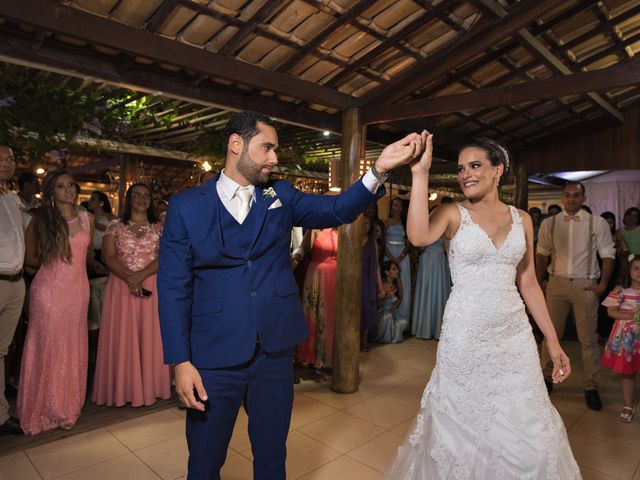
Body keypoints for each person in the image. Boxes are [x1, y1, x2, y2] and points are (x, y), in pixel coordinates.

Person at [157, 110, 424, 480]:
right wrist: (180, 363)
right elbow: (173, 289)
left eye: (275, 149)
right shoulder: (186, 207)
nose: (274, 158)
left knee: (271, 457)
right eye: (266, 147)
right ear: (236, 144)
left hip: (273, 351)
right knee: (204, 462)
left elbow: (336, 209)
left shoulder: (279, 194)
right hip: (212, 356)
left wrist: (377, 170)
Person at [383, 135, 580, 478]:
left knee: (528, 429)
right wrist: (420, 173)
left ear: (497, 170)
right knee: (461, 430)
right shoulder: (451, 213)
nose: (466, 174)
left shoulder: (523, 219)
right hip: (465, 335)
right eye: (461, 169)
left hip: (514, 337)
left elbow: (529, 282)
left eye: (475, 166)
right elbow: (416, 237)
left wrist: (551, 339)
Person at [17, 169, 94, 435]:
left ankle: (66, 407)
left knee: (72, 348)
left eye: (71, 184)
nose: (68, 190)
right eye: (61, 186)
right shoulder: (41, 220)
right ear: (51, 192)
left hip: (79, 292)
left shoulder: (88, 218)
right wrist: (55, 267)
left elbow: (84, 257)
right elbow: (30, 258)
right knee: (47, 348)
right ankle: (41, 408)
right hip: (49, 292)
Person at [536, 181, 616, 411]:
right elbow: (541, 256)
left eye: (576, 195)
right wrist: (539, 284)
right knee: (551, 335)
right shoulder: (549, 224)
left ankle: (591, 386)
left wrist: (602, 285)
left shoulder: (597, 222)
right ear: (562, 197)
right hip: (556, 284)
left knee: (588, 339)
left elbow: (608, 254)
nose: (571, 198)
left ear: (583, 198)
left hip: (586, 285)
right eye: (567, 194)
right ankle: (546, 378)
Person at [92, 183, 170, 407]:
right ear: (128, 198)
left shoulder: (159, 227)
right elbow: (108, 256)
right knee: (123, 335)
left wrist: (141, 276)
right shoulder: (115, 225)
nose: (141, 198)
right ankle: (123, 389)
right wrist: (130, 279)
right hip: (121, 287)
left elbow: (165, 255)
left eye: (146, 195)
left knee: (150, 335)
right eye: (136, 194)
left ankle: (150, 387)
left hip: (152, 285)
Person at [0, 146, 25, 435]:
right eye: (1, 159)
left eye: (11, 158)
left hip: (16, 282)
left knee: (2, 351)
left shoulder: (11, 197)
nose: (7, 163)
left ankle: (2, 415)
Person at [600, 255, 640, 423]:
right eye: (636, 268)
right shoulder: (620, 290)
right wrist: (634, 315)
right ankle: (628, 406)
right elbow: (611, 312)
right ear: (628, 270)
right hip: (627, 341)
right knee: (628, 373)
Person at [295, 228, 338, 368]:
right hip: (317, 275)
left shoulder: (340, 231)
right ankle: (311, 355)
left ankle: (328, 357)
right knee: (314, 314)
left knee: (330, 316)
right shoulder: (314, 230)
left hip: (334, 276)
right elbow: (302, 249)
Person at [411, 206, 451, 340]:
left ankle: (437, 329)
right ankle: (423, 329)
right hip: (428, 260)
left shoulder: (447, 228)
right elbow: (420, 246)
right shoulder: (426, 228)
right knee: (427, 291)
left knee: (438, 292)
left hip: (440, 262)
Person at [384, 197, 411, 324]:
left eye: (399, 206)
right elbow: (383, 242)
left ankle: (402, 317)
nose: (397, 208)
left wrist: (400, 257)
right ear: (392, 206)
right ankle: (388, 317)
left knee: (402, 284)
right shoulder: (386, 222)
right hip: (389, 254)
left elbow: (409, 242)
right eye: (395, 205)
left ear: (402, 208)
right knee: (390, 283)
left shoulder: (406, 222)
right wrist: (391, 258)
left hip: (402, 256)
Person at [360, 214, 383, 351]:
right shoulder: (352, 238)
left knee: (366, 309)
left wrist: (380, 286)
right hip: (353, 278)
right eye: (362, 223)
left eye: (367, 223)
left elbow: (376, 266)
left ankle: (364, 339)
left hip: (367, 279)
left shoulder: (372, 241)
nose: (365, 226)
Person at [376, 260, 407, 344]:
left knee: (403, 322)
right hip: (382, 312)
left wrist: (394, 307)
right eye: (394, 269)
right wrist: (386, 297)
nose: (397, 270)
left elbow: (400, 298)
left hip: (392, 311)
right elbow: (379, 304)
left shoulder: (397, 282)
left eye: (396, 268)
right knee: (388, 317)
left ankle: (392, 334)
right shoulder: (382, 285)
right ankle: (385, 337)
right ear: (387, 272)